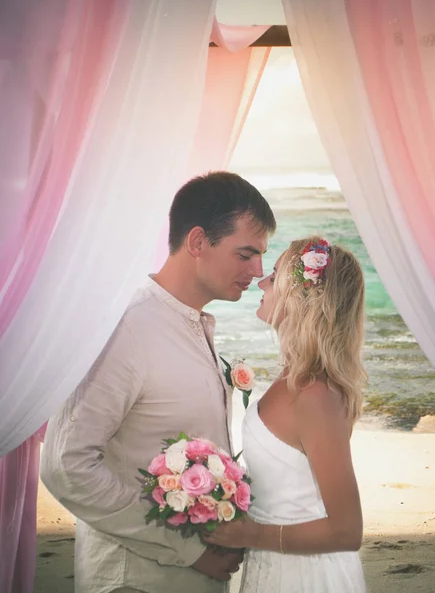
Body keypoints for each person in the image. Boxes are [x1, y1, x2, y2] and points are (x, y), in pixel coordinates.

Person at [40, 172, 276, 593]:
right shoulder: (128, 328)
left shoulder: (189, 322)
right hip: (136, 580)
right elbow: (66, 466)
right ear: (198, 241)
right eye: (245, 254)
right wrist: (187, 550)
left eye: (261, 256)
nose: (257, 271)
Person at [204, 237, 367, 592]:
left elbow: (347, 530)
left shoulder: (315, 395)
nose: (261, 282)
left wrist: (252, 534)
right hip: (273, 567)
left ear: (302, 296)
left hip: (306, 577)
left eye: (274, 275)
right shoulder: (293, 376)